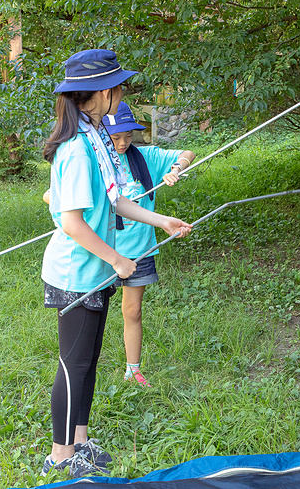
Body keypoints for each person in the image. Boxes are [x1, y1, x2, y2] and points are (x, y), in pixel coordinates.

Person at [40, 49, 192, 478]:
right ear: (105, 91)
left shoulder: (96, 137)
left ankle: (81, 441)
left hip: (98, 268)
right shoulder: (75, 149)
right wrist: (119, 259)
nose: (123, 91)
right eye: (120, 85)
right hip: (76, 273)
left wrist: (161, 220)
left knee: (87, 360)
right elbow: (70, 222)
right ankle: (61, 455)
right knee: (75, 364)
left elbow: (116, 199)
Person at [103, 102, 196, 387]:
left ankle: (133, 370)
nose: (122, 143)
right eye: (115, 137)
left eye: (127, 136)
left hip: (139, 249)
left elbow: (187, 153)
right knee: (93, 311)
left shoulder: (146, 157)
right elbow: (53, 195)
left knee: (133, 311)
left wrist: (176, 169)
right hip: (104, 249)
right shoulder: (95, 163)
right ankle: (84, 366)